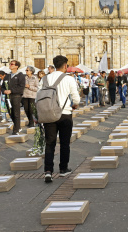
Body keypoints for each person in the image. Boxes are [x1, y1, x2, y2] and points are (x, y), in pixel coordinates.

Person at [42, 55, 80, 183]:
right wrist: (74, 105)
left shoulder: (45, 79)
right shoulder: (69, 79)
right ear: (65, 66)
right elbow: (76, 98)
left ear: (54, 65)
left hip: (48, 114)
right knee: (64, 143)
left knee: (50, 143)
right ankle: (63, 169)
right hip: (64, 114)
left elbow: (38, 97)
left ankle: (48, 171)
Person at [2, 60, 25, 135]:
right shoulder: (7, 76)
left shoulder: (20, 75)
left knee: (16, 112)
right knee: (10, 112)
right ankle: (17, 126)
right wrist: (4, 91)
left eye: (12, 64)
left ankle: (16, 130)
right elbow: (2, 87)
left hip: (16, 96)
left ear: (16, 66)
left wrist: (11, 91)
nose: (10, 65)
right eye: (10, 64)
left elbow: (21, 87)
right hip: (8, 97)